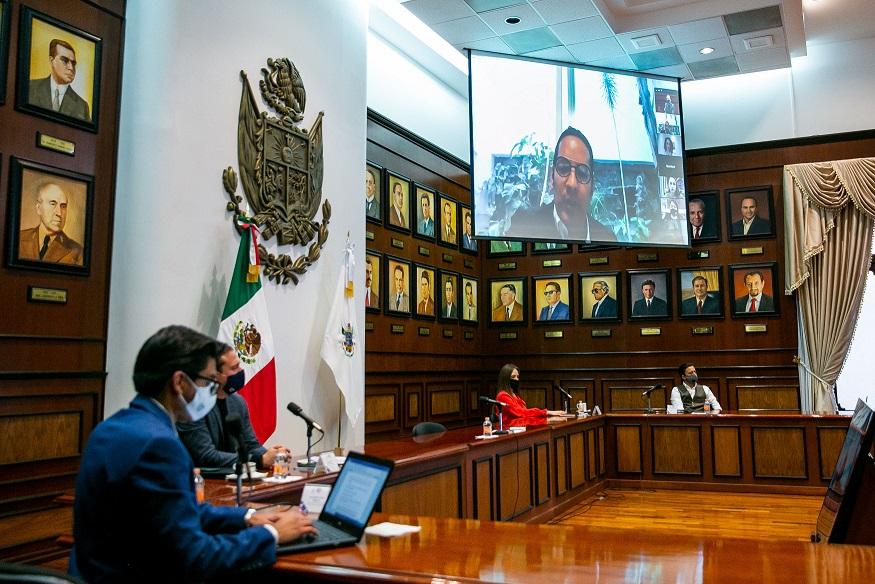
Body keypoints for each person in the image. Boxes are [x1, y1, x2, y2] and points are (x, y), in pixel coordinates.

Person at [70, 325, 316, 582]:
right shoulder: (159, 444)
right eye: (209, 381)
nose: (213, 389)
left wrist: (248, 517)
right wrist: (272, 535)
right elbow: (194, 557)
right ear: (179, 382)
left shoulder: (112, 427)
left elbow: (174, 513)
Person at [178, 344, 288, 469]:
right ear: (215, 375)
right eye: (234, 368)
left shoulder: (237, 402)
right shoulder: (191, 407)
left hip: (233, 480)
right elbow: (206, 456)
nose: (241, 371)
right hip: (201, 483)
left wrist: (270, 455)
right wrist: (258, 459)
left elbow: (251, 445)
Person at [508, 127, 615, 242]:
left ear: (592, 187)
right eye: (563, 168)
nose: (572, 184)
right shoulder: (523, 227)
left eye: (582, 173)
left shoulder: (608, 239)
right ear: (551, 177)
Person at [18, 182, 83, 265]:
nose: (59, 213)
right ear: (39, 208)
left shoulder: (77, 251)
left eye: (63, 206)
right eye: (53, 204)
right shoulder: (19, 238)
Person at [28, 39, 91, 121]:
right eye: (65, 60)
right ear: (51, 61)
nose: (71, 68)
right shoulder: (30, 87)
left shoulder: (82, 106)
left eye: (73, 63)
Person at [494, 364, 565, 428]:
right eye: (513, 377)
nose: (516, 379)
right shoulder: (502, 396)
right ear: (505, 379)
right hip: (509, 432)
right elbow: (520, 413)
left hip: (520, 429)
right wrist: (546, 412)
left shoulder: (515, 395)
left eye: (518, 377)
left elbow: (525, 412)